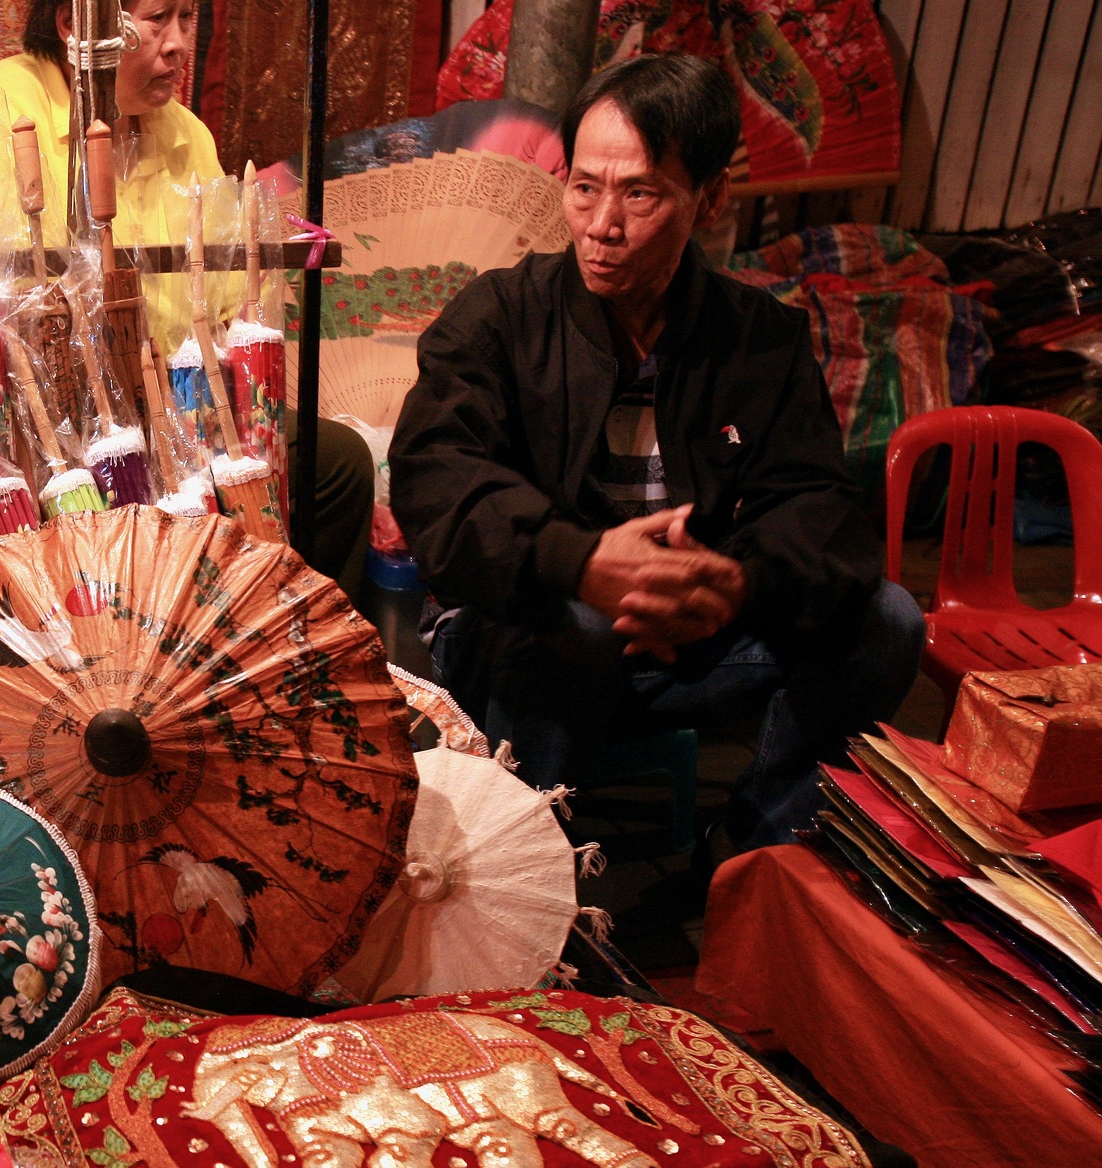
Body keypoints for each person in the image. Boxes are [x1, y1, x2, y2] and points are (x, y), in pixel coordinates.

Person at [387, 53, 923, 850]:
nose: (601, 225)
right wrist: (580, 561)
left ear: (708, 200)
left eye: (638, 193)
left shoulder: (756, 340)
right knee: (579, 626)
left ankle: (750, 851)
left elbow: (819, 508)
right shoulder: (498, 318)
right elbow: (438, 484)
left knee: (888, 621)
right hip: (522, 630)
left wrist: (735, 581)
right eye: (583, 187)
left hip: (685, 637)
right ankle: (524, 871)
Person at [0, 0, 375, 594]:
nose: (180, 43)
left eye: (188, 19)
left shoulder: (186, 135)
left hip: (172, 407)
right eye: (159, 18)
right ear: (77, 23)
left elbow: (224, 308)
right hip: (41, 429)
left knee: (335, 463)